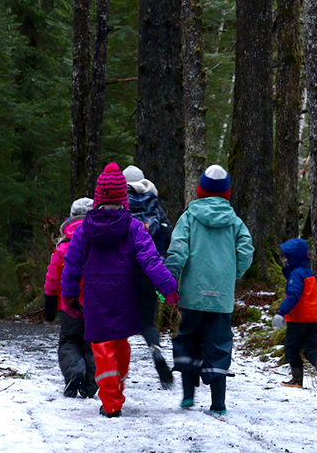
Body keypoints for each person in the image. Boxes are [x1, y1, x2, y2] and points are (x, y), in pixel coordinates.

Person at [61, 163, 179, 418]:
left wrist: (69, 296)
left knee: (102, 348)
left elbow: (71, 265)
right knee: (121, 344)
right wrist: (168, 288)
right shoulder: (135, 227)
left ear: (98, 198)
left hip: (94, 299)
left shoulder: (83, 230)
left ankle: (111, 401)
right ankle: (117, 390)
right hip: (125, 297)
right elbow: (151, 261)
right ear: (122, 200)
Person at [165, 164, 254, 418]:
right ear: (226, 193)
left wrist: (170, 278)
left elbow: (178, 249)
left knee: (188, 340)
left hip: (192, 296)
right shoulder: (235, 222)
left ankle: (187, 396)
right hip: (221, 298)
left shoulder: (190, 216)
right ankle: (218, 403)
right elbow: (246, 252)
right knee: (219, 344)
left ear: (200, 191)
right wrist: (232, 275)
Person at [123, 165, 174, 388]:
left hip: (123, 271)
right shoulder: (153, 203)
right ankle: (155, 348)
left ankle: (113, 373)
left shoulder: (120, 203)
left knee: (117, 322)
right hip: (150, 269)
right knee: (148, 321)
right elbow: (168, 233)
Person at [43, 197, 98, 398]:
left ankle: (75, 370)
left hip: (69, 305)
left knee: (68, 341)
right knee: (92, 345)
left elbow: (52, 275)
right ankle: (91, 385)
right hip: (96, 305)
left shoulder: (63, 246)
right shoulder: (101, 243)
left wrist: (49, 299)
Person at [271, 238, 317, 392]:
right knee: (310, 348)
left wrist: (281, 312)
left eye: (286, 256)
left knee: (291, 348)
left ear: (294, 257)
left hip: (298, 318)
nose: (284, 259)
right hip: (314, 318)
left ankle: (297, 379)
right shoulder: (308, 273)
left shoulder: (296, 274)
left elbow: (293, 296)